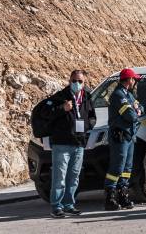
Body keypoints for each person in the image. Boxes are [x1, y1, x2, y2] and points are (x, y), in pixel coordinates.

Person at [45, 70, 96, 218]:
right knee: (59, 176)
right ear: (69, 80)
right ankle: (56, 206)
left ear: (84, 83)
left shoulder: (87, 97)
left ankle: (69, 204)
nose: (77, 84)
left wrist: (88, 126)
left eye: (80, 81)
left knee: (74, 176)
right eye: (74, 81)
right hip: (62, 143)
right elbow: (47, 113)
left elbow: (92, 116)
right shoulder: (60, 96)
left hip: (79, 143)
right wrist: (62, 109)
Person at [103, 68, 142, 211]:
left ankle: (123, 194)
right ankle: (110, 197)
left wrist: (137, 109)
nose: (134, 82)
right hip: (120, 137)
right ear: (129, 80)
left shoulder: (128, 95)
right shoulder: (118, 95)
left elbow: (140, 107)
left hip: (129, 137)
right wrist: (136, 110)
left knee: (126, 168)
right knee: (117, 167)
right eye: (134, 79)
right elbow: (130, 116)